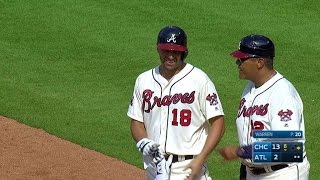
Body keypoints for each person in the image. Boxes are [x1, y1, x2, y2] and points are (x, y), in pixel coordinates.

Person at [127, 25, 225, 180]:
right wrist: (144, 142)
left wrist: (201, 158)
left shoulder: (199, 80)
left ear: (184, 51)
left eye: (175, 51)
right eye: (166, 50)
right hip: (155, 168)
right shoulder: (143, 80)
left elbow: (218, 122)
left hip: (189, 168)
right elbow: (136, 121)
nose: (170, 55)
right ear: (158, 49)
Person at [218, 34, 310, 180]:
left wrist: (240, 152)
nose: (237, 62)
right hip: (253, 173)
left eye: (242, 59)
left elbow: (288, 148)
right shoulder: (249, 88)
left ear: (259, 62)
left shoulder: (283, 94)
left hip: (282, 173)